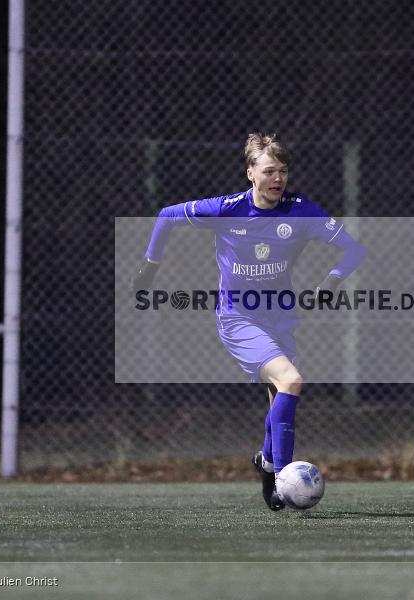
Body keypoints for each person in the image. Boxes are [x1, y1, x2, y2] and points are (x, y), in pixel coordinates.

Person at [132, 132, 365, 511]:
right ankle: (281, 477)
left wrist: (331, 282)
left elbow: (354, 249)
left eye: (283, 171)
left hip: (281, 317)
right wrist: (150, 265)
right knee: (291, 381)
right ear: (250, 173)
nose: (278, 178)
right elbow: (167, 217)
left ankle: (268, 464)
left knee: (279, 396)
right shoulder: (228, 209)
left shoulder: (300, 210)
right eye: (270, 170)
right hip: (238, 318)